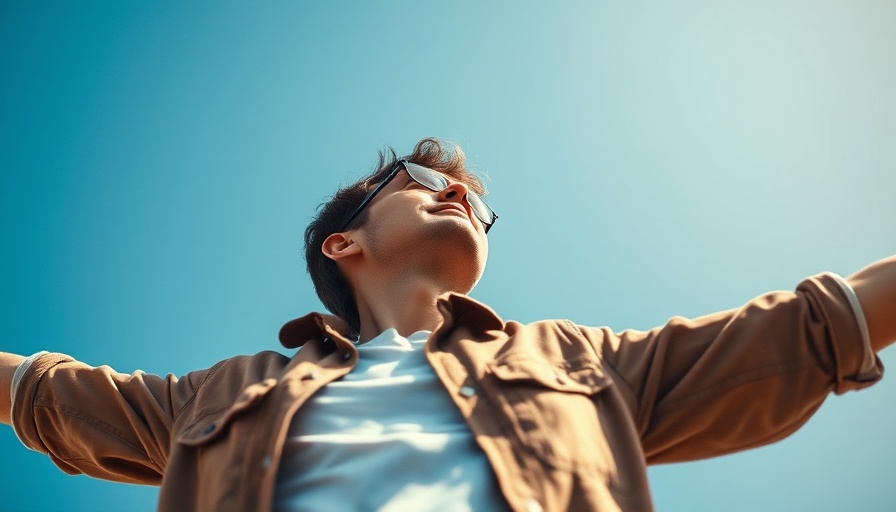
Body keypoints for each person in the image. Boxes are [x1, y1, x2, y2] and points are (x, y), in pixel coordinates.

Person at [1, 138, 894, 512]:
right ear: (344, 243)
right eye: (426, 186)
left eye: (474, 201)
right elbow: (45, 395)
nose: (460, 192)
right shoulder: (225, 393)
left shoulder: (573, 360)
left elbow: (806, 330)